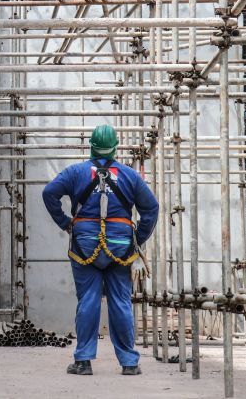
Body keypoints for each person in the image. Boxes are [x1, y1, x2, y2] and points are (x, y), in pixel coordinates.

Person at [42, 124, 159, 376]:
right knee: (121, 301)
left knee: (88, 300)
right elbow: (151, 208)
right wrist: (137, 238)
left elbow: (49, 193)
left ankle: (83, 361)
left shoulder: (75, 172)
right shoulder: (129, 175)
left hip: (85, 244)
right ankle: (129, 363)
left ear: (91, 146)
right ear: (115, 147)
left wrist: (65, 223)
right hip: (120, 245)